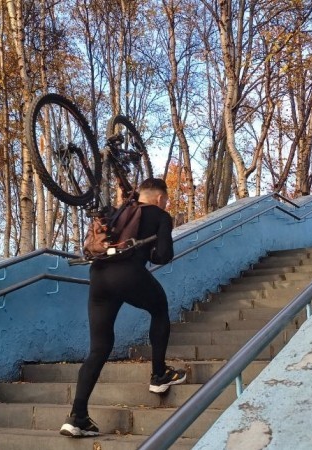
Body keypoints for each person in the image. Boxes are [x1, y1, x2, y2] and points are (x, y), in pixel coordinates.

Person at [60, 178, 186, 438]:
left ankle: (77, 417)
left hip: (98, 276)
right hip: (127, 273)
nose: (166, 204)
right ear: (160, 198)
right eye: (166, 200)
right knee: (159, 310)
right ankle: (159, 375)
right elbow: (164, 255)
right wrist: (152, 248)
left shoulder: (120, 211)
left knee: (99, 348)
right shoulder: (160, 215)